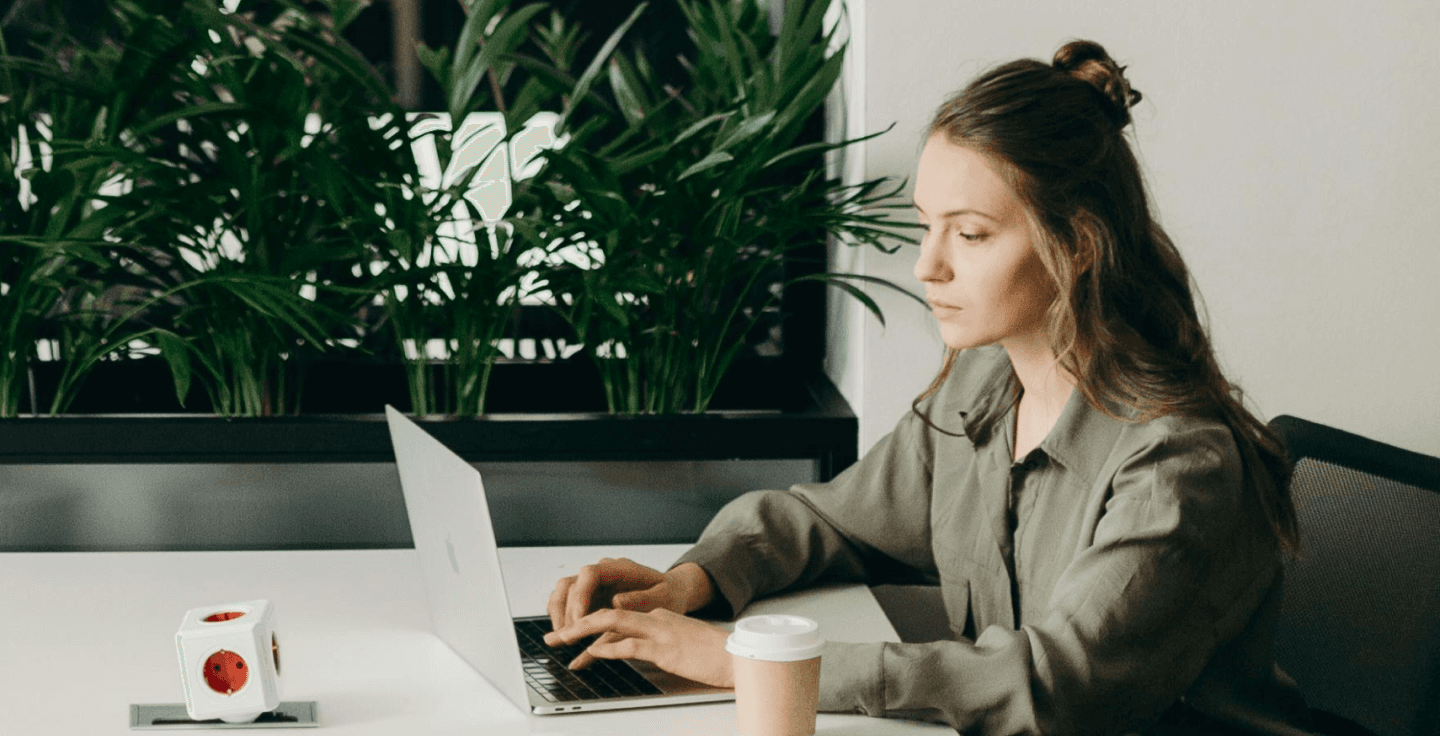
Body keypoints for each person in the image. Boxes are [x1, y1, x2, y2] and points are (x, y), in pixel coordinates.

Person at [543, 39, 1314, 735]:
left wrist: (748, 658)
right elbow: (835, 520)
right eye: (926, 224)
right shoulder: (983, 388)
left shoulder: (1177, 463)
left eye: (970, 233)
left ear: (1076, 245)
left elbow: (1054, 690)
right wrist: (691, 582)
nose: (927, 266)